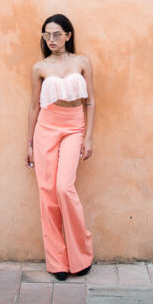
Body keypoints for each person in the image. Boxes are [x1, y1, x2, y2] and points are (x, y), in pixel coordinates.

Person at [26, 14, 95, 281]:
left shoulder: (82, 62)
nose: (51, 40)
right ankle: (57, 262)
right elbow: (33, 107)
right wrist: (29, 143)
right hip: (46, 127)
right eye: (46, 35)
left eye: (56, 34)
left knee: (64, 188)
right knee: (48, 194)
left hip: (74, 126)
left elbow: (91, 102)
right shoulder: (39, 67)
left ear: (68, 35)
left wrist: (88, 137)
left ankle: (80, 256)